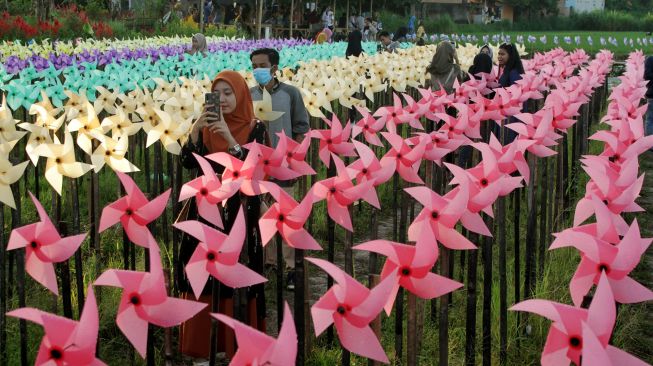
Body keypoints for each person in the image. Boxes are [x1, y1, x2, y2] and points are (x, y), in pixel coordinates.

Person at [178, 70, 269, 361]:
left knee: (237, 270)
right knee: (202, 269)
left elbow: (252, 166)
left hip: (240, 210)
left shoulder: (257, 128)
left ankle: (238, 345)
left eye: (229, 93)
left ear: (242, 94)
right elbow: (186, 162)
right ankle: (203, 344)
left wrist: (229, 138)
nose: (224, 100)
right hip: (206, 208)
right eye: (218, 94)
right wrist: (195, 129)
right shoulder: (205, 129)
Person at [249, 48, 310, 290]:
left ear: (274, 68)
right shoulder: (249, 94)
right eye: (254, 65)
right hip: (257, 167)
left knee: (287, 217)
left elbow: (301, 125)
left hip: (283, 165)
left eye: (262, 65)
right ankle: (269, 262)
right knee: (262, 216)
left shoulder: (290, 93)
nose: (257, 70)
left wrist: (291, 155)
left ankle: (291, 267)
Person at [645, 56, 653, 144]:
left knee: (650, 119)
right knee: (650, 119)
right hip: (652, 95)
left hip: (651, 93)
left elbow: (646, 76)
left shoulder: (649, 60)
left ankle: (649, 144)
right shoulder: (650, 59)